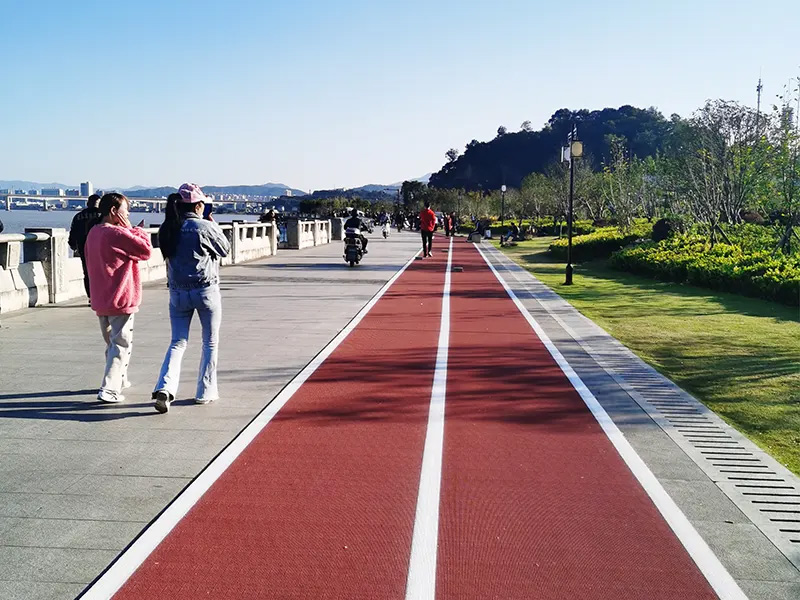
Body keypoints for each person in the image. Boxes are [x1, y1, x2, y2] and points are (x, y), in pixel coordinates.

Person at [152, 183, 231, 414]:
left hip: (177, 293)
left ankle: (164, 389)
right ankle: (205, 392)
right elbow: (225, 249)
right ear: (199, 205)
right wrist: (211, 222)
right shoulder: (203, 226)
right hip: (205, 290)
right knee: (210, 342)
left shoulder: (167, 228)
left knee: (177, 342)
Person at [84, 193, 152, 403]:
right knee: (121, 344)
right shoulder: (116, 234)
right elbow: (145, 250)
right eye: (125, 210)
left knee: (112, 343)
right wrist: (135, 229)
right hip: (120, 296)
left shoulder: (94, 232)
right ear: (114, 211)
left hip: (100, 296)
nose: (128, 214)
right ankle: (109, 389)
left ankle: (119, 378)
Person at [68, 194, 102, 299]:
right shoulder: (103, 216)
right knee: (101, 272)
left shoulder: (78, 216)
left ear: (88, 203)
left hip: (83, 247)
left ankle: (91, 297)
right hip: (100, 248)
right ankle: (99, 296)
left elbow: (73, 232)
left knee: (87, 273)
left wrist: (73, 244)